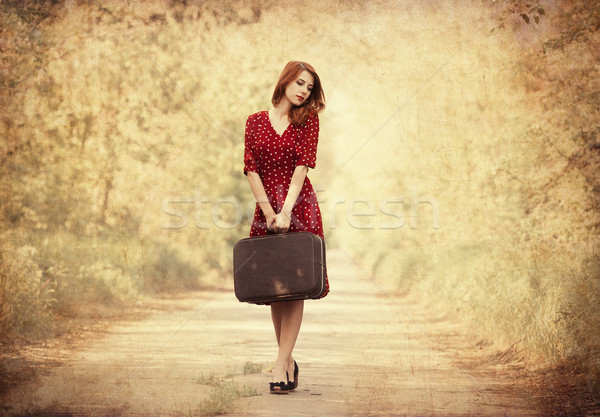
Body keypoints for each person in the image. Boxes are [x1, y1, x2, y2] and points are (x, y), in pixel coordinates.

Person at [243, 61, 329, 394]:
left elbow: (302, 167)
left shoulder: (308, 120)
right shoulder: (254, 122)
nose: (304, 91)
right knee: (275, 288)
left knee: (294, 287)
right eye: (300, 83)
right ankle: (288, 360)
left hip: (299, 208)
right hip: (265, 209)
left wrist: (286, 212)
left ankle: (281, 364)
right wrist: (268, 212)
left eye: (309, 87)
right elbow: (251, 170)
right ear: (285, 81)